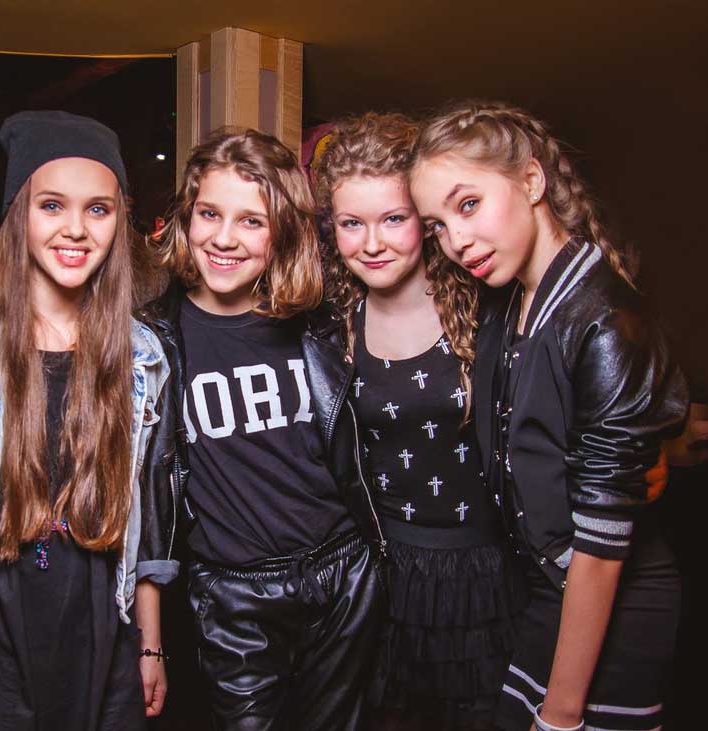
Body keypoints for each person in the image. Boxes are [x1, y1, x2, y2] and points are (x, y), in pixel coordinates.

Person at [409, 101, 688, 731]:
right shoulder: (512, 301)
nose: (456, 241)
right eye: (438, 225)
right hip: (548, 590)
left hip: (611, 602)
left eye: (469, 204)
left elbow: (601, 544)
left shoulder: (604, 319)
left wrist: (561, 714)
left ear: (532, 181)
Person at [144, 127, 385, 731]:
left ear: (281, 232)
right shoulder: (153, 342)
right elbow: (141, 493)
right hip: (233, 594)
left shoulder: (322, 324)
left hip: (343, 572)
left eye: (251, 221)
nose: (224, 238)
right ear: (187, 218)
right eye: (209, 214)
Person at [0, 110, 177, 731]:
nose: (75, 228)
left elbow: (149, 510)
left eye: (98, 209)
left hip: (101, 615)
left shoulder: (142, 355)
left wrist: (150, 643)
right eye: (52, 206)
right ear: (18, 214)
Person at [314, 111, 524, 730]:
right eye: (352, 223)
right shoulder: (329, 325)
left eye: (394, 219)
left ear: (426, 220)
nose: (372, 243)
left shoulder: (489, 303)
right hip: (379, 575)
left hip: (485, 574)